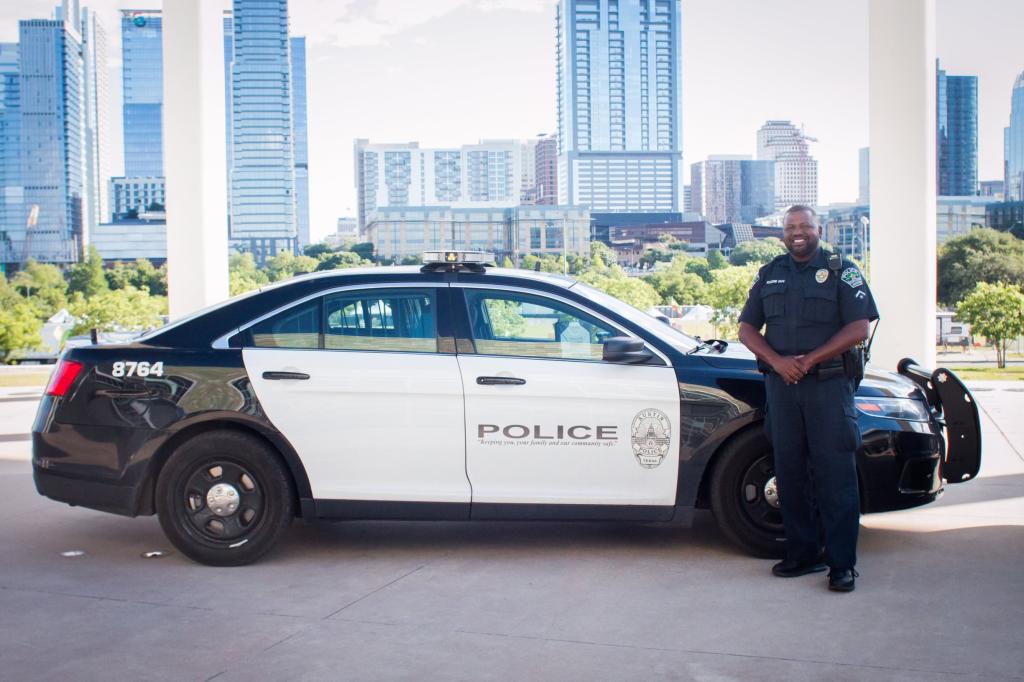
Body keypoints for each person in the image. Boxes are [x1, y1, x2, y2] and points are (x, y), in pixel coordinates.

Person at [737, 205, 879, 593]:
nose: (797, 232)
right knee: (790, 472)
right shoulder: (770, 273)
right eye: (790, 227)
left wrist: (809, 360)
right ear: (783, 233)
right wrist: (778, 362)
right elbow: (747, 328)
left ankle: (841, 565)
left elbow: (859, 326)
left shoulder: (841, 271)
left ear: (818, 229)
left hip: (829, 389)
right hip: (782, 389)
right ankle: (803, 554)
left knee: (836, 477)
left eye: (804, 226)